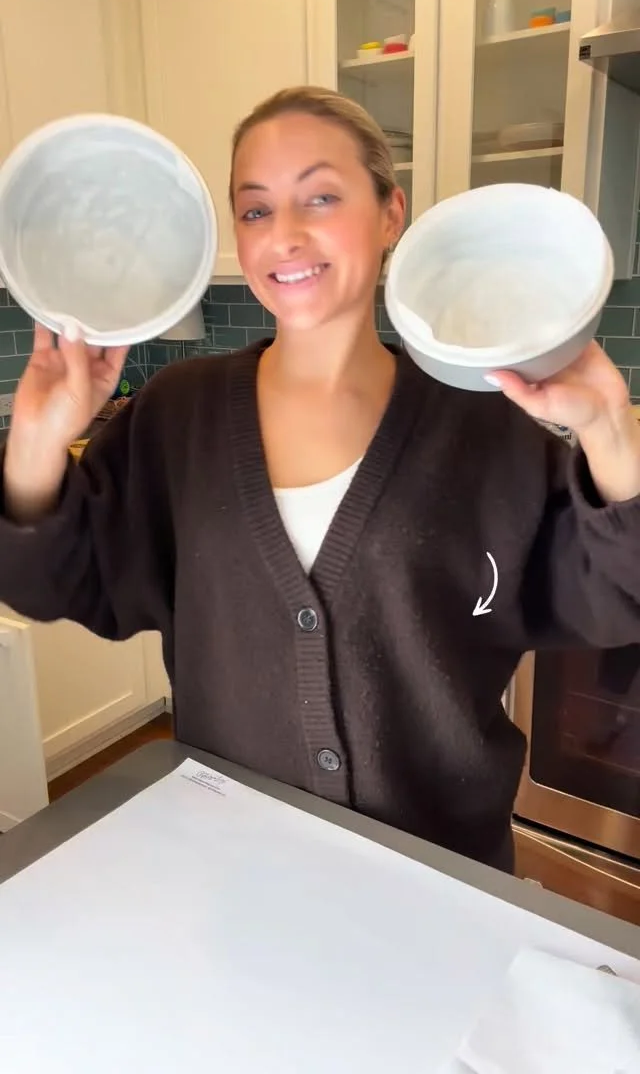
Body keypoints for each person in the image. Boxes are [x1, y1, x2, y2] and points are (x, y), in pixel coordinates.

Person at [1, 86, 639, 873]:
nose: (284, 235)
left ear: (391, 213)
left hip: (442, 880)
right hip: (236, 871)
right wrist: (38, 437)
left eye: (322, 197)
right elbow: (50, 584)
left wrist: (609, 427)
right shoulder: (178, 414)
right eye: (256, 210)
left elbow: (618, 593)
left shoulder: (487, 427)